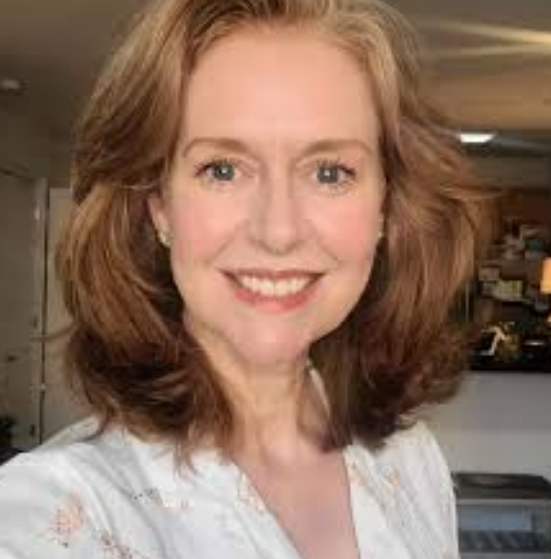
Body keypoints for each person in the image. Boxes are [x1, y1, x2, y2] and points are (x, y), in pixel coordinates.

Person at [0, 0, 488, 557]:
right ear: (158, 205)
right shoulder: (56, 514)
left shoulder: (410, 458)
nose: (278, 231)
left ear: (386, 206)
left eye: (330, 172)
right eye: (223, 169)